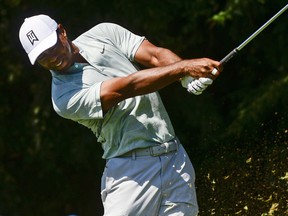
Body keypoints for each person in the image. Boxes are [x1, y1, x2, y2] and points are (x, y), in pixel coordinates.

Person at [19, 14, 222, 216]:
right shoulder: (63, 97)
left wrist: (186, 77)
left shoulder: (103, 33)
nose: (52, 58)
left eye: (52, 48)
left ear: (62, 32)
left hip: (175, 159)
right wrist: (184, 68)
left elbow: (154, 55)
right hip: (131, 174)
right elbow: (127, 87)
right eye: (43, 57)